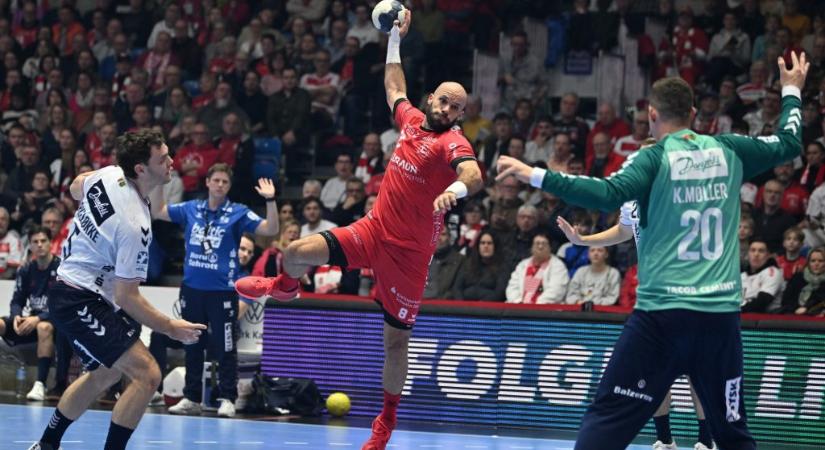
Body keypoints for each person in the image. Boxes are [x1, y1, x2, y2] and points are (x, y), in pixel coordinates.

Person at [496, 51, 809, 450]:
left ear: (651, 115)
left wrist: (536, 173)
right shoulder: (730, 149)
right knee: (733, 435)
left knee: (607, 420)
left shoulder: (654, 157)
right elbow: (789, 140)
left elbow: (605, 191)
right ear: (694, 113)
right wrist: (791, 90)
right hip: (719, 320)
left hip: (663, 316)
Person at [235, 9, 483, 450]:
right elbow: (393, 86)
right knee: (293, 250)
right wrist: (392, 38)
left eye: (458, 107)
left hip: (408, 257)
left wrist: (457, 191)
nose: (449, 110)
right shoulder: (410, 121)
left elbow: (473, 173)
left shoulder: (453, 141)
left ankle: (386, 420)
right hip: (373, 231)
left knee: (395, 344)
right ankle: (285, 286)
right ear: (430, 99)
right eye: (444, 101)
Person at [27, 129, 205, 450]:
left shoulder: (110, 174)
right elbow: (128, 297)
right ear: (140, 169)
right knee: (148, 374)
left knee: (106, 373)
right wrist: (171, 326)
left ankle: (47, 444)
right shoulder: (133, 224)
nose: (171, 161)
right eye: (162, 158)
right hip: (79, 298)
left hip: (76, 288)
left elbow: (76, 185)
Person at [150, 163, 279, 418]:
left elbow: (271, 229)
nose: (220, 185)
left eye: (225, 182)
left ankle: (227, 398)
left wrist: (271, 200)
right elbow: (158, 210)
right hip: (191, 290)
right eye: (216, 180)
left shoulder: (238, 212)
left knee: (225, 346)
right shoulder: (191, 208)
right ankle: (191, 397)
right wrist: (159, 183)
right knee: (191, 343)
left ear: (229, 187)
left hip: (222, 292)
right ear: (207, 182)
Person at [0, 226, 63, 401]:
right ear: (31, 247)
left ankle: (39, 385)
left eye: (43, 241)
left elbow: (61, 306)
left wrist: (38, 318)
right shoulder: (25, 270)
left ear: (51, 243)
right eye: (35, 242)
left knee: (43, 327)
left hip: (54, 324)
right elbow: (17, 300)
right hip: (30, 320)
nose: (40, 245)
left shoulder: (61, 269)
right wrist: (16, 317)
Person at [505, 233, 568, 304]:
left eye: (544, 244)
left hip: (546, 310)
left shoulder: (558, 266)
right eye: (537, 243)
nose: (540, 247)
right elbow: (512, 287)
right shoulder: (522, 265)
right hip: (519, 307)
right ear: (531, 247)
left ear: (550, 247)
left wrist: (536, 304)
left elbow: (556, 291)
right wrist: (517, 301)